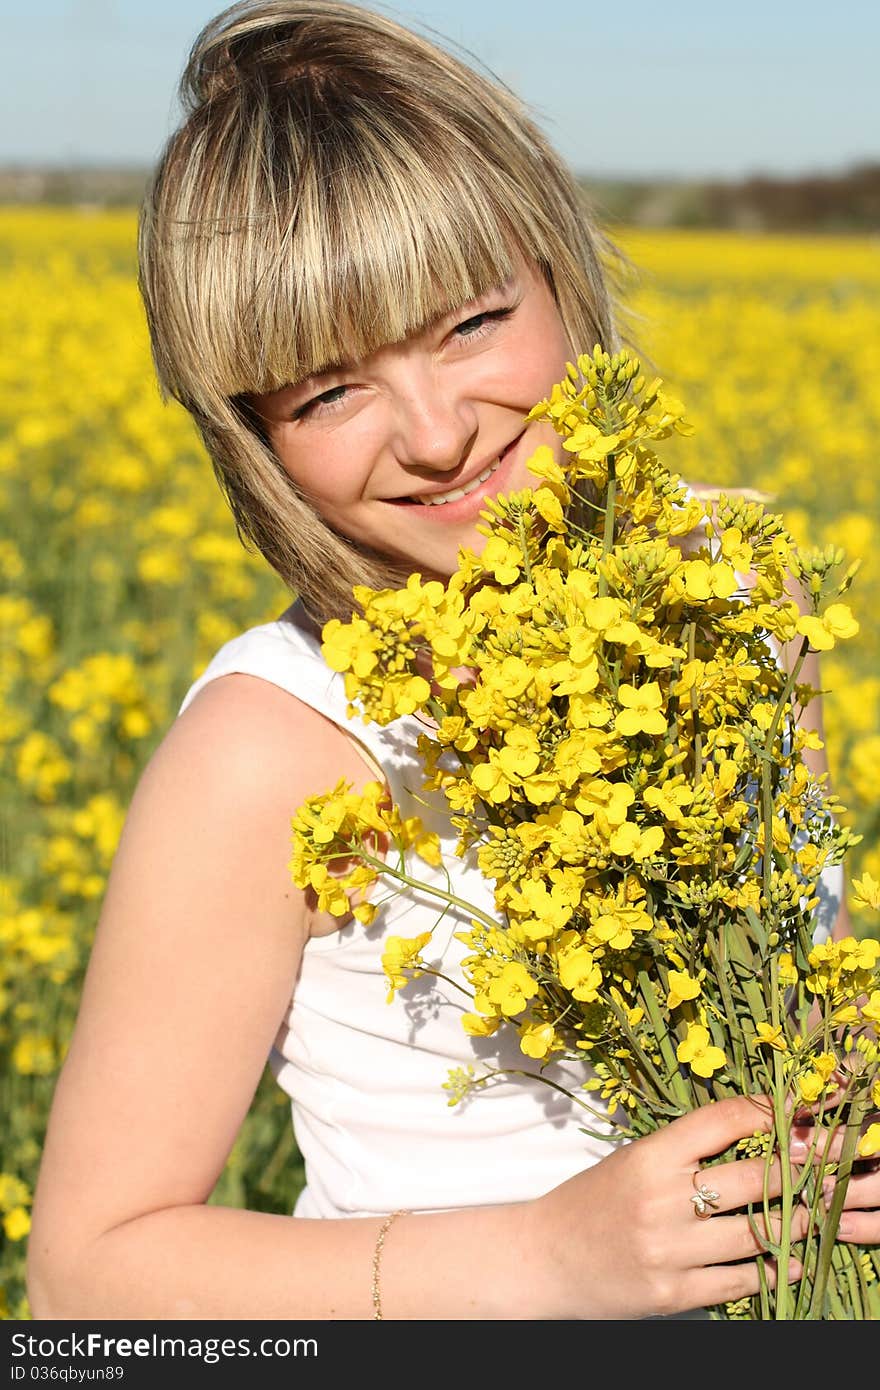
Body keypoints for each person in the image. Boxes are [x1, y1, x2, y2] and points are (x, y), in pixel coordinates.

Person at [25, 0, 877, 1322]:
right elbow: (89, 1273)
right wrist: (546, 1259)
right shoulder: (269, 747)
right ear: (253, 437)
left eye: (471, 322)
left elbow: (804, 923)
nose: (434, 433)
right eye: (326, 392)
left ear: (559, 265)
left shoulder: (742, 595)